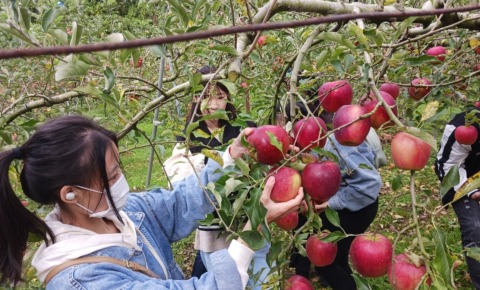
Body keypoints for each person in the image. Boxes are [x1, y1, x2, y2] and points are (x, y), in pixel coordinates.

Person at [0, 115, 303, 289]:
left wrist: (230, 159)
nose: (122, 180)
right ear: (70, 194)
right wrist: (254, 230)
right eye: (112, 174)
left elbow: (179, 203)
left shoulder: (123, 212)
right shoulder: (81, 281)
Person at [164, 65, 271, 289]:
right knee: (224, 279)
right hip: (214, 227)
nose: (213, 105)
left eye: (220, 97)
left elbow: (263, 164)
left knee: (260, 277)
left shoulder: (244, 128)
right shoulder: (189, 137)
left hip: (249, 217)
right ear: (196, 98)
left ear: (228, 98)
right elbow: (180, 181)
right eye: (206, 97)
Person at [277, 100, 383, 289]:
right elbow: (326, 173)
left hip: (357, 208)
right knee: (338, 258)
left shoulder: (338, 142)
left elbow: (369, 184)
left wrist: (330, 203)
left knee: (326, 264)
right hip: (351, 205)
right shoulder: (317, 139)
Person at [435, 109, 480, 289]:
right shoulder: (462, 126)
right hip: (464, 182)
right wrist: (469, 190)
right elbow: (447, 165)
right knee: (476, 227)